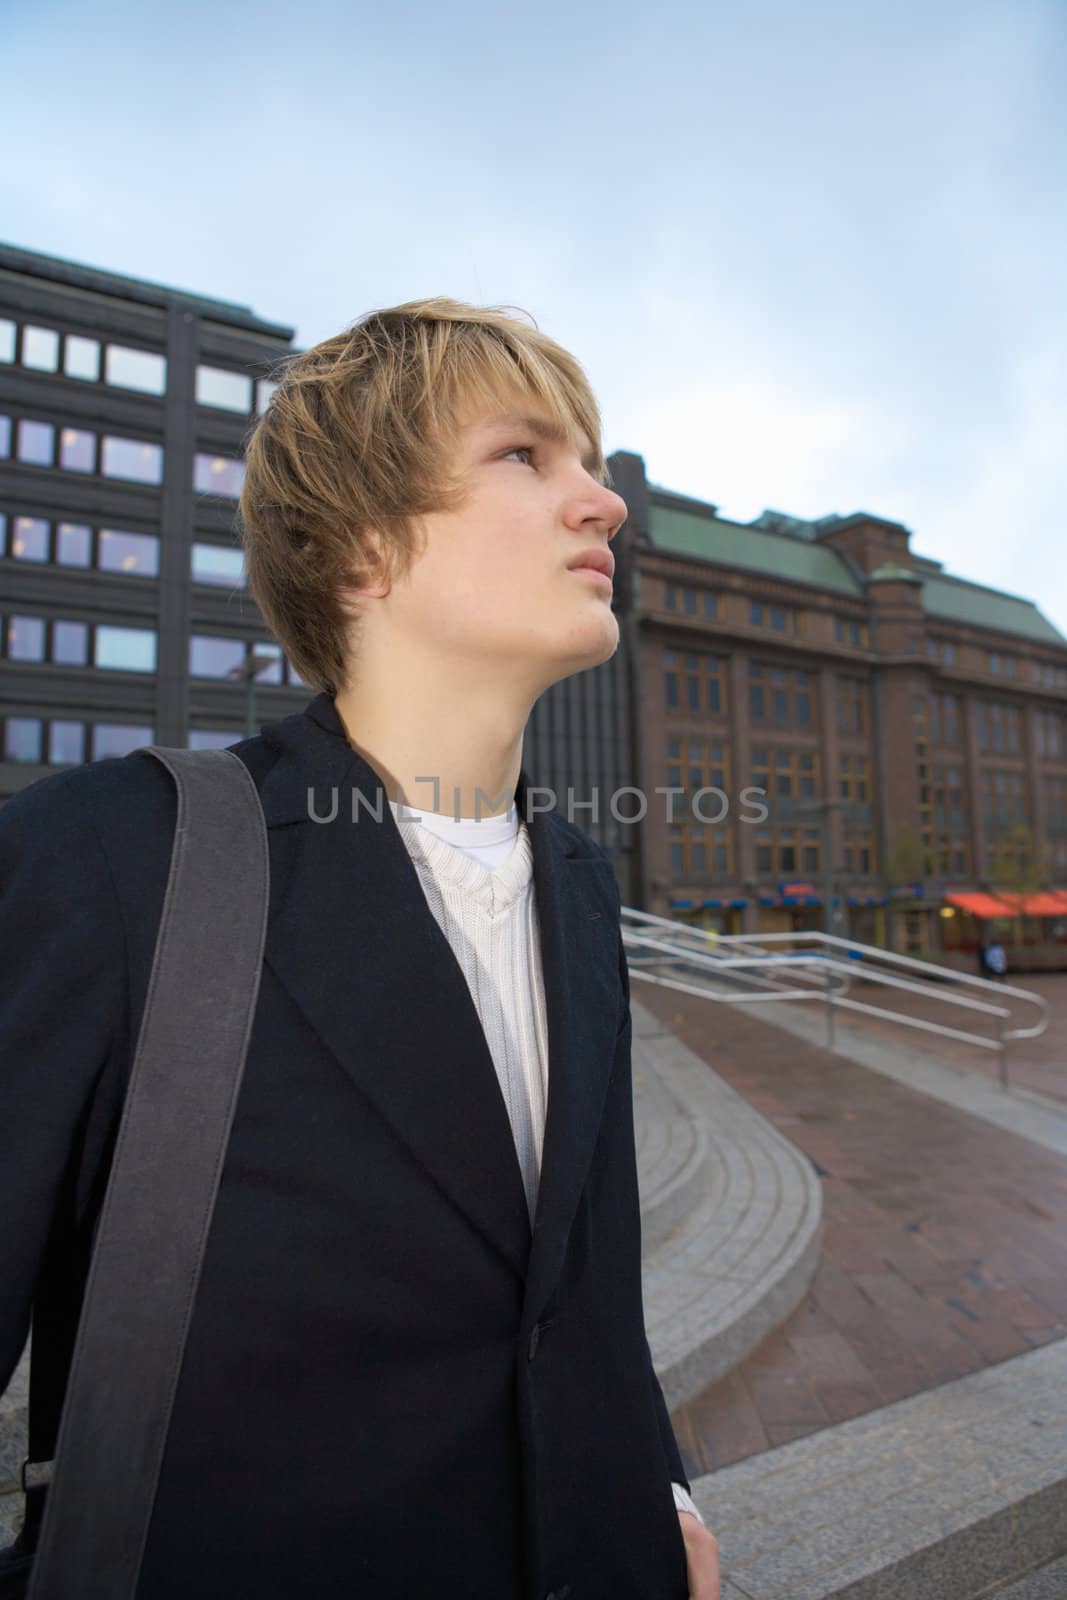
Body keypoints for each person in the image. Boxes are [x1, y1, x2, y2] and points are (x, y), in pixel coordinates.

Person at [0, 299, 720, 1599]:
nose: (604, 504)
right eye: (526, 455)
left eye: (596, 465)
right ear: (364, 552)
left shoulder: (580, 884)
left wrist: (655, 1487)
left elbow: (580, 1288)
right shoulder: (110, 861)